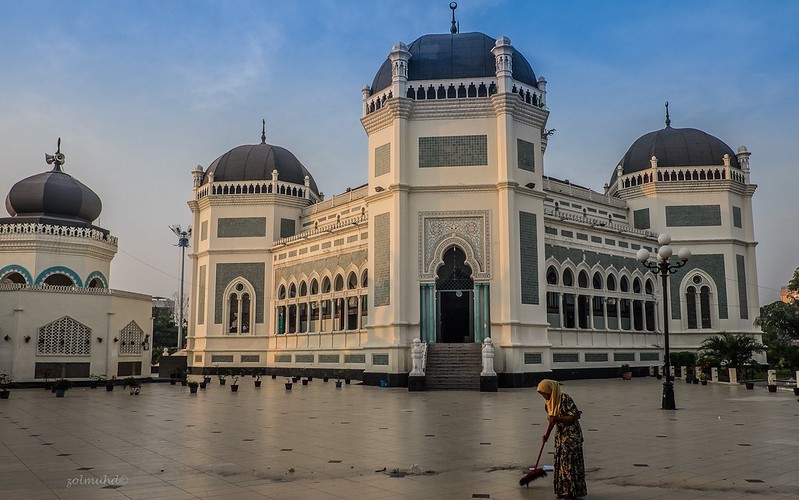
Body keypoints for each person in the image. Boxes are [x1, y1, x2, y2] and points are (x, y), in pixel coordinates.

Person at [537, 379, 587, 499]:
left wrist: (559, 420)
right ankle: (562, 489)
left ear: (551, 390)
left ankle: (571, 490)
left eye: (545, 393)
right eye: (542, 394)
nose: (544, 396)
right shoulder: (548, 403)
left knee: (569, 462)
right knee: (560, 462)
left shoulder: (564, 398)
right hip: (560, 435)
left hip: (571, 435)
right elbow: (552, 420)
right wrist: (547, 435)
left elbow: (575, 416)